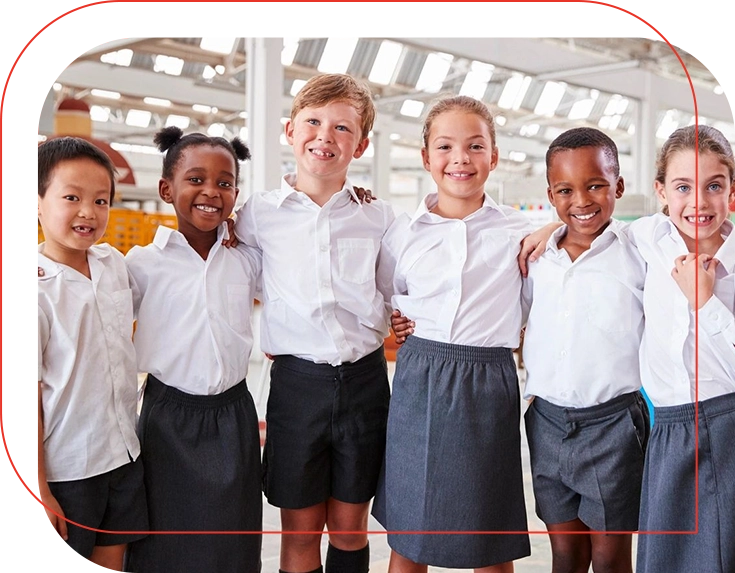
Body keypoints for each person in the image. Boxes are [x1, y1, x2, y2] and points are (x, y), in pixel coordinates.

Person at [232, 73, 395, 573]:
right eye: (313, 122)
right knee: (300, 534)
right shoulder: (255, 215)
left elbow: (396, 291)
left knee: (349, 529)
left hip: (365, 381)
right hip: (298, 386)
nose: (326, 136)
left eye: (343, 129)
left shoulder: (378, 216)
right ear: (289, 130)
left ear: (361, 144)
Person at [372, 95, 532, 573]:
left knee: (489, 529)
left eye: (475, 146)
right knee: (410, 528)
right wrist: (398, 320)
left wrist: (552, 230)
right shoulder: (403, 233)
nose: (460, 158)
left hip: (489, 380)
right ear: (426, 158)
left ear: (494, 156)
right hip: (420, 378)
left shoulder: (519, 232)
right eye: (445, 146)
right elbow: (388, 294)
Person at [124, 127, 262, 573]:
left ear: (236, 195)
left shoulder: (248, 260)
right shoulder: (141, 264)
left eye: (225, 183)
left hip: (233, 417)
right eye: (196, 179)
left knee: (233, 546)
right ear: (167, 188)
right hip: (167, 418)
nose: (211, 192)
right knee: (162, 542)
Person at [521, 127, 649, 573]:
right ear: (551, 195)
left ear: (618, 186)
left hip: (614, 423)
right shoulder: (535, 259)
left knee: (611, 558)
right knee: (565, 554)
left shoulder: (639, 251)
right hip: (547, 422)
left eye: (595, 185)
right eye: (566, 190)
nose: (582, 200)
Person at [35, 136, 148, 572]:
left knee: (111, 564)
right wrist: (35, 487)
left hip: (122, 456)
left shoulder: (113, 264)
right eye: (71, 197)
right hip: (64, 470)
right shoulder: (32, 291)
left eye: (101, 200)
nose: (88, 211)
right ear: (35, 203)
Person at [631, 124, 735, 573]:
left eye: (714, 185)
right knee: (668, 559)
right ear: (661, 192)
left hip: (729, 423)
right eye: (683, 186)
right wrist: (546, 229)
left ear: (732, 190)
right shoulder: (646, 239)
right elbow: (588, 225)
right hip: (670, 427)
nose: (699, 202)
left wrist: (705, 301)